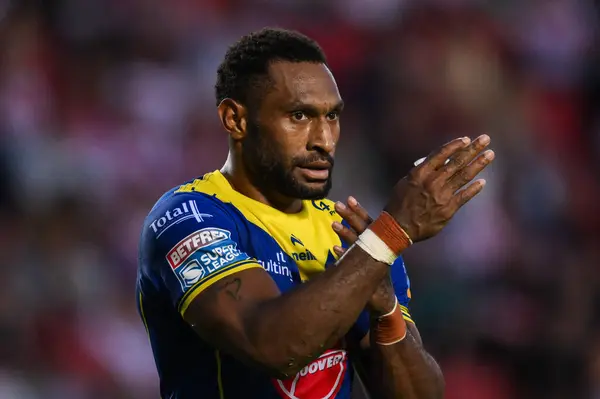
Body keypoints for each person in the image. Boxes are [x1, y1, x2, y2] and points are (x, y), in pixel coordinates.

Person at [136, 27, 494, 399]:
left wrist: (385, 309)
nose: (323, 140)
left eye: (332, 116)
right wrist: (390, 235)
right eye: (299, 115)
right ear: (235, 119)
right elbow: (272, 346)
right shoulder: (188, 217)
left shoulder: (350, 233)